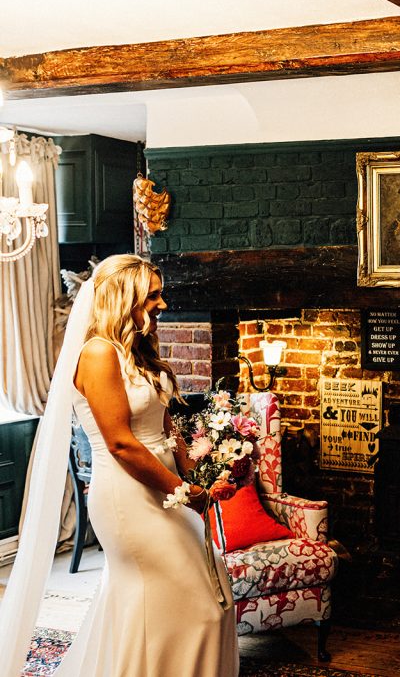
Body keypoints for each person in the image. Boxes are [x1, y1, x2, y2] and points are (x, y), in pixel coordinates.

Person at [0, 255, 238, 676]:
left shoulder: (141, 351)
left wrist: (201, 473)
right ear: (122, 297)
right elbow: (122, 444)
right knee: (198, 605)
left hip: (168, 490)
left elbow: (167, 429)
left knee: (196, 597)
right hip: (129, 497)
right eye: (153, 296)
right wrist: (189, 494)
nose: (163, 304)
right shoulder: (97, 354)